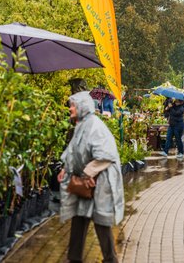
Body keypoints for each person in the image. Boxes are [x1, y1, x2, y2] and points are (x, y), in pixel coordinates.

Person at [57, 91, 124, 263]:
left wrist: (88, 173)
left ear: (82, 107)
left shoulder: (94, 125)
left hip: (100, 181)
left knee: (101, 220)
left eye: (73, 105)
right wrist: (66, 168)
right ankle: (74, 258)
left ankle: (110, 259)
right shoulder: (82, 125)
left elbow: (106, 154)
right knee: (79, 216)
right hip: (87, 181)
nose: (70, 108)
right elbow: (74, 150)